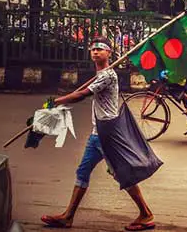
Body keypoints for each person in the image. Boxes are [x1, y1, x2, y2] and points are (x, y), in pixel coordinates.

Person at [41, 36, 155, 231]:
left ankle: (146, 214)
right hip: (97, 134)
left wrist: (56, 102)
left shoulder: (108, 76)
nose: (95, 52)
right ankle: (68, 216)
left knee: (122, 174)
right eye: (93, 49)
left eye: (100, 49)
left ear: (109, 53)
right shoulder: (100, 74)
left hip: (108, 134)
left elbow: (81, 95)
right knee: (83, 172)